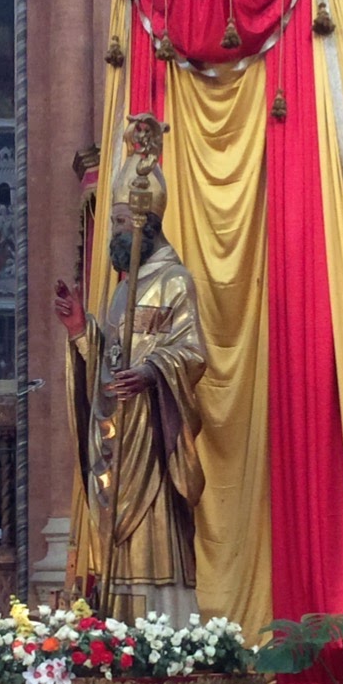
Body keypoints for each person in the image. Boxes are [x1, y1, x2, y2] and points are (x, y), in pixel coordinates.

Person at [55, 113, 206, 625]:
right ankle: (119, 613)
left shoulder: (175, 281)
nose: (115, 234)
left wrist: (154, 372)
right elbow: (110, 353)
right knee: (117, 524)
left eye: (121, 224)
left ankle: (165, 618)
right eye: (115, 223)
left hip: (153, 433)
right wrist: (82, 329)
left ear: (146, 224)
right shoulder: (124, 289)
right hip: (118, 431)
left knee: (155, 520)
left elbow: (193, 351)